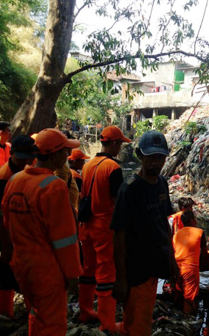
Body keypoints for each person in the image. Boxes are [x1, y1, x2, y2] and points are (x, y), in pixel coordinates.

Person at [2, 128, 82, 335]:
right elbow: (65, 238)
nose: (68, 156)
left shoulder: (15, 180)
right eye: (65, 152)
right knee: (52, 323)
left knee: (36, 314)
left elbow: (8, 224)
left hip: (23, 265)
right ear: (54, 155)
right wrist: (73, 275)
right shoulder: (53, 187)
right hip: (47, 271)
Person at [111, 130, 178, 336]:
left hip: (154, 267)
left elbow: (164, 223)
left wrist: (172, 260)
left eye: (160, 157)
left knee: (138, 320)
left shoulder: (162, 184)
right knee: (138, 324)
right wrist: (120, 278)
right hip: (136, 270)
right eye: (151, 157)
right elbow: (119, 234)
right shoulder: (129, 190)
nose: (155, 163)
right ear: (140, 156)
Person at [78, 125, 129, 332]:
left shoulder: (88, 164)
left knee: (88, 270)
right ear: (114, 144)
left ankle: (85, 311)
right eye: (120, 144)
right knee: (107, 273)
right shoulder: (113, 168)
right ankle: (107, 324)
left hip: (86, 225)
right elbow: (118, 201)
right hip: (103, 227)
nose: (121, 148)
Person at [0, 135, 36, 318]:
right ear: (13, 155)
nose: (26, 161)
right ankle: (6, 311)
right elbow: (0, 216)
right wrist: (7, 246)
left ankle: (31, 312)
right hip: (8, 231)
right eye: (22, 157)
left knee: (25, 272)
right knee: (9, 270)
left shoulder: (25, 169)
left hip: (22, 230)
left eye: (29, 157)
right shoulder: (3, 178)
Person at [173, 210, 208, 315]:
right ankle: (189, 321)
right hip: (190, 268)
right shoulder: (200, 232)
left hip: (176, 267)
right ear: (193, 220)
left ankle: (177, 318)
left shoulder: (177, 234)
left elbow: (173, 250)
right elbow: (204, 253)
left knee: (178, 292)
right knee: (190, 298)